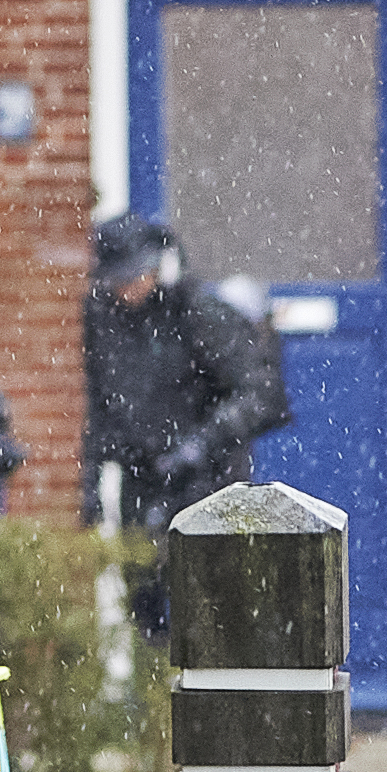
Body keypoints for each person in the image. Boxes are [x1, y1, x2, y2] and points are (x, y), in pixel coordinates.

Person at [80, 211, 291, 536]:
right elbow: (99, 407)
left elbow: (262, 395)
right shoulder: (104, 320)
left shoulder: (197, 314)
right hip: (143, 483)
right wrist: (90, 486)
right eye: (117, 281)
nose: (127, 290)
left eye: (134, 276)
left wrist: (199, 445)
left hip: (210, 484)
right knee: (146, 579)